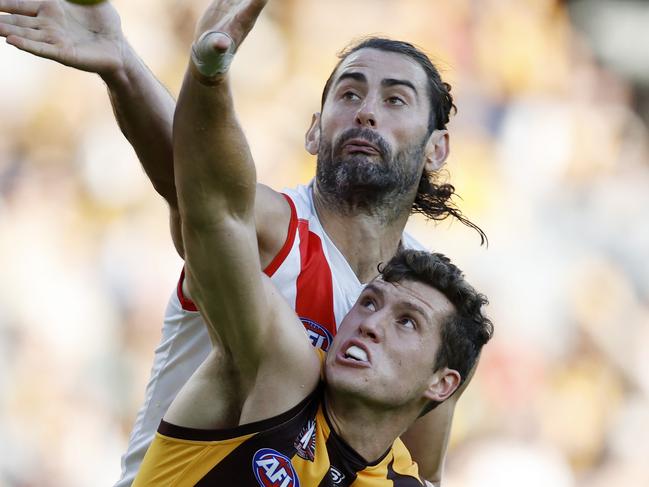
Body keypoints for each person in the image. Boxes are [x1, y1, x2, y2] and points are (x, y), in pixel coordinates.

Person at [0, 0, 486, 484]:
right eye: (349, 95)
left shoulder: (430, 308)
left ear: (436, 148)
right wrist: (130, 68)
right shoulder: (276, 232)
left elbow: (419, 470)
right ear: (314, 131)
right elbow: (197, 184)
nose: (366, 114)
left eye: (395, 100)